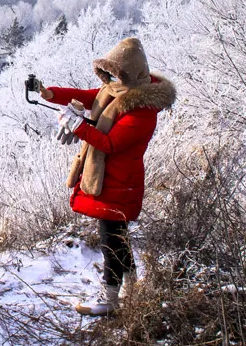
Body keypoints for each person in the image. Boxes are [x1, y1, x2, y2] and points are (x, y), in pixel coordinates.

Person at [37, 37, 176, 316]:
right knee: (117, 235)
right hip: (110, 179)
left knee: (111, 238)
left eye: (117, 73)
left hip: (121, 182)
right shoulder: (115, 90)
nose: (111, 78)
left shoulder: (143, 110)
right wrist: (50, 94)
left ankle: (110, 297)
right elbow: (89, 97)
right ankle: (132, 286)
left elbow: (109, 143)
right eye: (109, 73)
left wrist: (77, 126)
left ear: (131, 74)